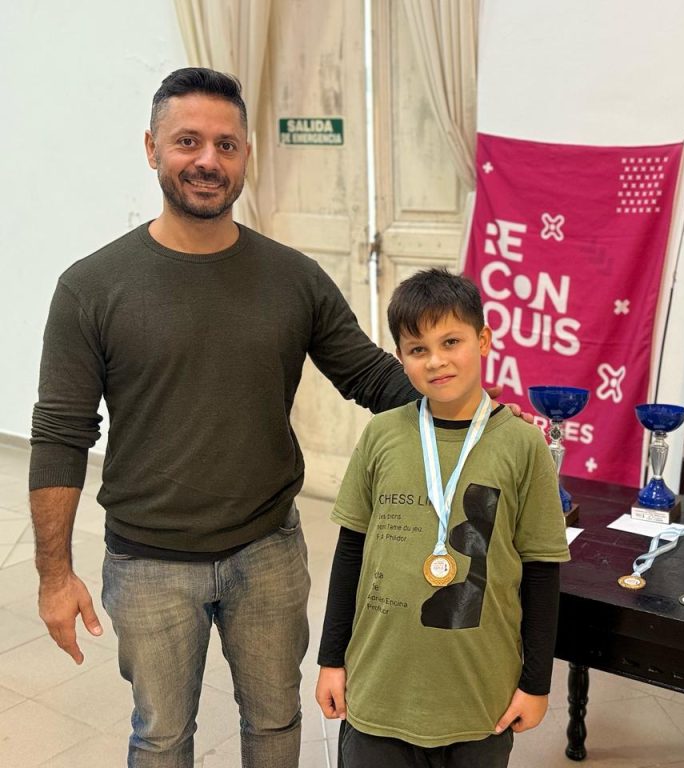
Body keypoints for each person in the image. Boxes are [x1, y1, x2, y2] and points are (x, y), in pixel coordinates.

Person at [28, 67, 512, 767]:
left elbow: (372, 376)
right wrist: (54, 575)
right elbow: (61, 433)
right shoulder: (91, 287)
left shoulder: (292, 278)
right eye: (187, 141)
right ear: (151, 147)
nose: (207, 160)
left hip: (268, 551)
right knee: (161, 737)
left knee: (276, 723)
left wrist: (487, 422)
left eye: (226, 145)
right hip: (148, 562)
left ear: (246, 155)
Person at [315, 268, 570, 767]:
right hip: (378, 690)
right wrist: (331, 659)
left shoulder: (523, 444)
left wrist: (536, 683)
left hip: (479, 697)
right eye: (418, 349)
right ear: (401, 358)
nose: (436, 361)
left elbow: (541, 570)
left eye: (451, 341)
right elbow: (350, 553)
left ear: (483, 340)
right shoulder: (382, 435)